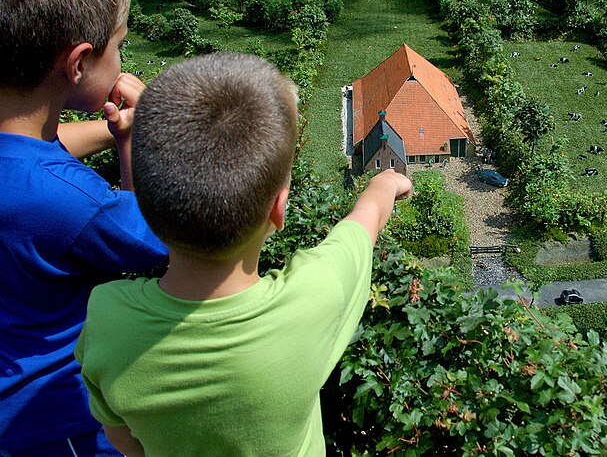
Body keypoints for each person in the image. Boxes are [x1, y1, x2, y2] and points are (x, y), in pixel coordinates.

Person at [74, 53, 414, 456]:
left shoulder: (106, 318)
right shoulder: (317, 294)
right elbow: (366, 220)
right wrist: (387, 183)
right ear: (278, 208)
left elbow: (125, 441)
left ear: (144, 205)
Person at [0, 0, 168, 454]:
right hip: (55, 423)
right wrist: (133, 143)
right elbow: (154, 240)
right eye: (119, 46)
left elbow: (34, 154)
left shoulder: (27, 172)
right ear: (77, 63)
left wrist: (109, 126)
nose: (123, 60)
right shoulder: (70, 201)